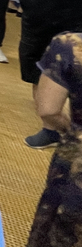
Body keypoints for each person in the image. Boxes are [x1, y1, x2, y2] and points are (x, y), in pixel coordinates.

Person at [3, 0, 82, 149]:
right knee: (38, 78)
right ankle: (50, 130)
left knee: (75, 82)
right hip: (34, 30)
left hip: (73, 34)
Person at [27, 31, 82, 246]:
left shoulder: (70, 46)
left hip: (75, 163)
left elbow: (49, 110)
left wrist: (73, 130)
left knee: (58, 232)